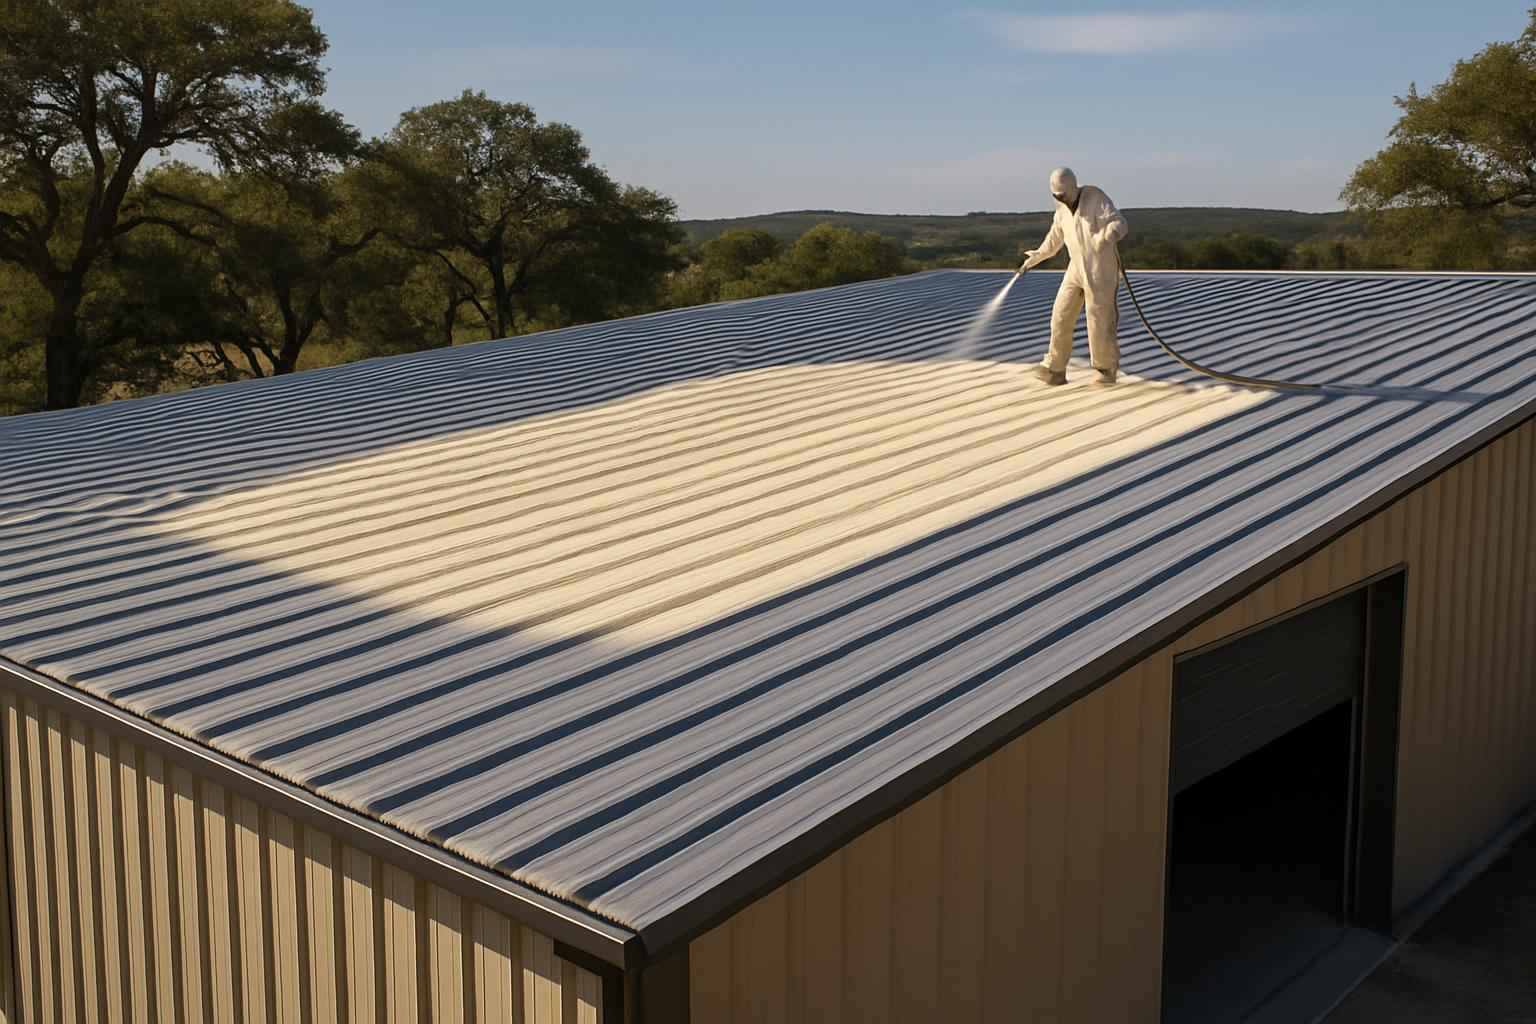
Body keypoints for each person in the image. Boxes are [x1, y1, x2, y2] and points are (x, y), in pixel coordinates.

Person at [1018, 167, 1129, 385]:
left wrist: (1106, 235)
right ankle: (1055, 368)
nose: (1060, 198)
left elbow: (1119, 223)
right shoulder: (1061, 211)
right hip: (1076, 268)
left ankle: (1105, 369)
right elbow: (1054, 240)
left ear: (1072, 187)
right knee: (1060, 314)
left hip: (1100, 271)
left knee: (1099, 320)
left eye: (1062, 194)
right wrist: (1034, 259)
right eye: (1056, 196)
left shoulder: (1095, 197)